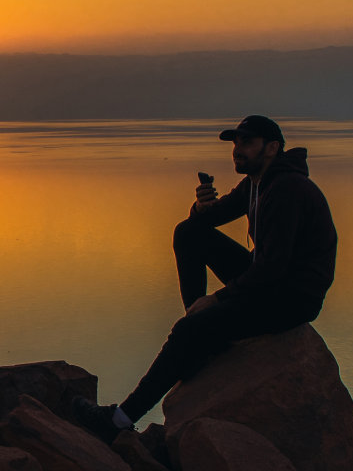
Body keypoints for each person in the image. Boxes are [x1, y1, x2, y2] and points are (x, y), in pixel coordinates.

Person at [72, 114, 338, 441]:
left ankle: (118, 420)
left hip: (292, 297)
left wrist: (218, 299)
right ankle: (201, 338)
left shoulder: (287, 188)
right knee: (188, 233)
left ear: (272, 148)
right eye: (235, 143)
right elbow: (211, 220)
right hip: (271, 281)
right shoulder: (257, 182)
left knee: (189, 331)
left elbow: (273, 268)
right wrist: (201, 209)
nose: (238, 150)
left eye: (247, 143)